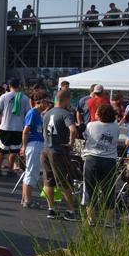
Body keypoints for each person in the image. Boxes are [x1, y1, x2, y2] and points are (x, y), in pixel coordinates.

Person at [42, 90, 79, 221]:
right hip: (58, 151)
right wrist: (71, 143)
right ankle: (70, 211)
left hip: (46, 149)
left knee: (48, 181)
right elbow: (73, 130)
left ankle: (51, 209)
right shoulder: (66, 114)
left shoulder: (47, 113)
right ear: (67, 100)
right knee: (65, 181)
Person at [82, 103, 120, 223]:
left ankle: (91, 218)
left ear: (99, 114)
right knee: (108, 190)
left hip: (92, 158)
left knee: (89, 189)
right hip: (109, 160)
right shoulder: (116, 127)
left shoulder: (91, 125)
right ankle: (109, 220)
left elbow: (85, 137)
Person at [19, 90, 48, 208]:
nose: (47, 104)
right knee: (32, 173)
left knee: (30, 172)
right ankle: (28, 200)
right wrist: (24, 147)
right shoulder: (33, 113)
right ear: (40, 102)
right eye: (46, 101)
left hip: (35, 144)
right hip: (34, 144)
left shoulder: (37, 113)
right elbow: (26, 131)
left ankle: (25, 198)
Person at [0, 78, 30, 175]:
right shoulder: (24, 98)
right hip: (18, 128)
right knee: (14, 150)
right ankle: (10, 170)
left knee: (2, 149)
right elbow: (28, 114)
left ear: (9, 86)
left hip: (5, 127)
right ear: (19, 85)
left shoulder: (3, 96)